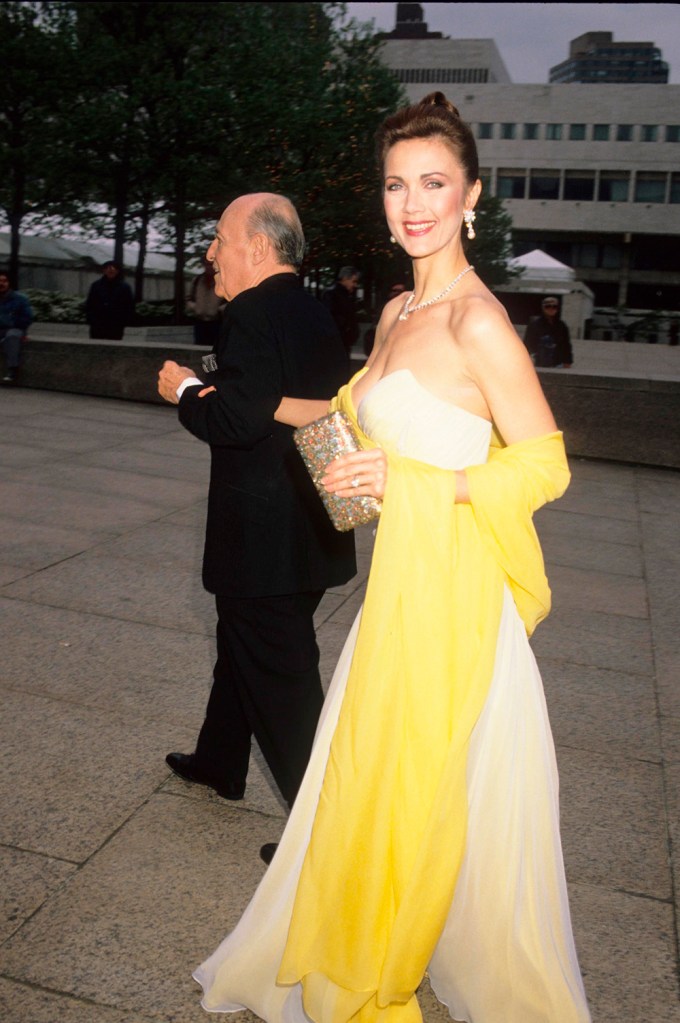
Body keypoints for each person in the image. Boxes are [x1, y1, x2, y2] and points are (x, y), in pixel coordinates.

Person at [192, 96, 591, 1023]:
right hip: (399, 589)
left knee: (409, 796)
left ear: (472, 197)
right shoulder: (402, 305)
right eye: (397, 184)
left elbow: (546, 465)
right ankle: (364, 957)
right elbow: (341, 413)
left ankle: (379, 983)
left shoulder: (478, 323)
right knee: (371, 783)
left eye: (435, 184)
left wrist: (426, 484)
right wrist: (221, 399)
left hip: (449, 597)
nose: (413, 204)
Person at [157, 193, 355, 812]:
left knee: (280, 678)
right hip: (314, 526)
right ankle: (220, 760)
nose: (211, 252)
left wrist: (185, 391)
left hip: (265, 536)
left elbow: (237, 420)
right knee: (247, 645)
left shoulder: (250, 314)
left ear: (259, 247)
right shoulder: (318, 313)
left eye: (220, 238)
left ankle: (321, 834)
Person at [85, 260, 135, 340]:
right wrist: (91, 318)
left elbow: (129, 305)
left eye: (113, 270)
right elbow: (90, 303)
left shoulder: (125, 287)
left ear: (117, 271)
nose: (110, 271)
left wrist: (124, 320)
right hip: (98, 323)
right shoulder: (96, 285)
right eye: (107, 269)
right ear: (104, 271)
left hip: (116, 323)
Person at [0, 270, 33, 385]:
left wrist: (9, 322)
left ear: (9, 283)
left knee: (12, 336)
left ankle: (12, 371)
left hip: (15, 329)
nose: (1, 284)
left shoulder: (20, 299)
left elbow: (27, 318)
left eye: (4, 281)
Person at [524, 295, 573, 368]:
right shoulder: (534, 325)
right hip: (538, 362)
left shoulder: (562, 325)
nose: (551, 309)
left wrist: (568, 361)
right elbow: (527, 342)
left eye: (554, 307)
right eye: (548, 306)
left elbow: (566, 345)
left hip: (557, 363)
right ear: (543, 308)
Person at [321, 266, 360, 357]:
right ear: (345, 279)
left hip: (341, 341)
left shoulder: (341, 295)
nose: (355, 285)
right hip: (338, 341)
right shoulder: (332, 294)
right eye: (353, 281)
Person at [187, 256, 225, 345]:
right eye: (206, 264)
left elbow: (231, 299)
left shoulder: (223, 281)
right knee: (201, 348)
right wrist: (195, 308)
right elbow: (189, 298)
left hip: (217, 322)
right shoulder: (197, 280)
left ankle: (214, 360)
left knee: (215, 348)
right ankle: (204, 360)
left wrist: (221, 309)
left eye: (211, 264)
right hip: (200, 322)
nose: (209, 267)